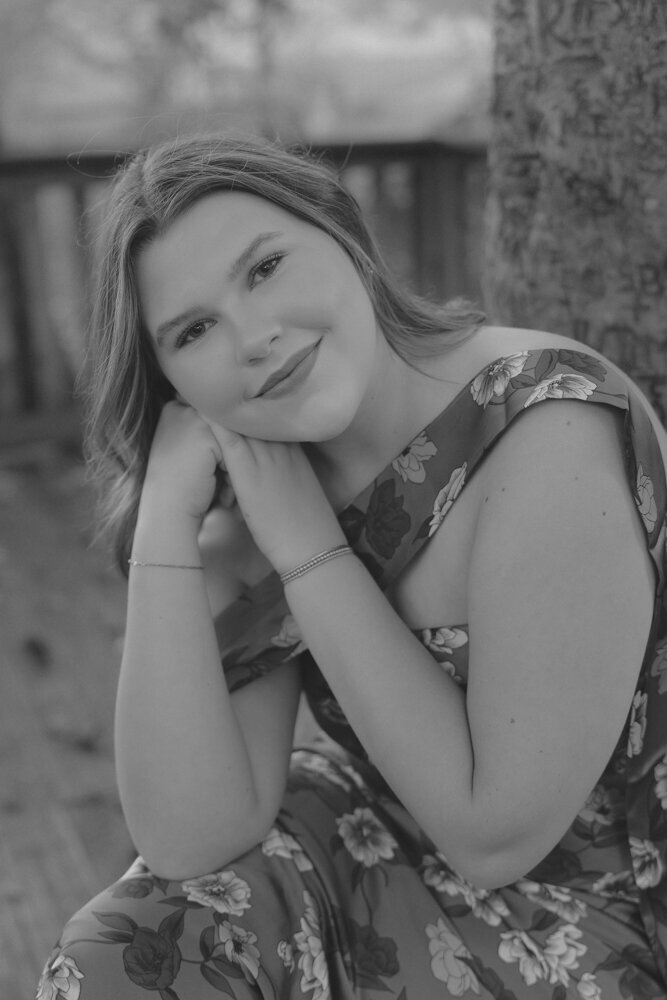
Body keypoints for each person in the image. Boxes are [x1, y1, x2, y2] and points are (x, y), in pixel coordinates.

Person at [36, 132, 667, 1000]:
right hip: (389, 849)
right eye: (193, 330)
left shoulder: (545, 430)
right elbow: (191, 838)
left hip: (616, 899)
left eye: (264, 268)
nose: (254, 338)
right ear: (171, 379)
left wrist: (308, 548)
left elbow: (494, 838)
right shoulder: (257, 494)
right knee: (129, 947)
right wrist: (167, 523)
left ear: (342, 233)